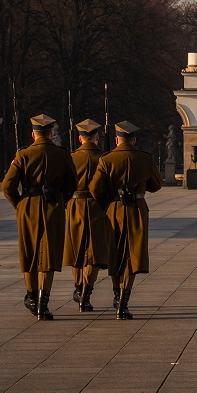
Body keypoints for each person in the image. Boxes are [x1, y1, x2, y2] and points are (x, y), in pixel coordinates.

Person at [1, 113, 75, 321]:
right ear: (51, 133)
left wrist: (20, 203)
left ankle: (32, 297)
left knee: (30, 253)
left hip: (29, 207)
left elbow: (8, 186)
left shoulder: (23, 155)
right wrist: (62, 201)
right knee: (49, 256)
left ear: (33, 134)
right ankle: (44, 304)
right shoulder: (62, 154)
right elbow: (72, 185)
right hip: (53, 206)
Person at [89, 120, 162, 320]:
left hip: (114, 209)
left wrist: (108, 202)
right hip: (136, 210)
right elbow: (156, 184)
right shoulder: (144, 158)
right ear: (134, 140)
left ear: (117, 139)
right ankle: (124, 301)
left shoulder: (107, 159)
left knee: (115, 253)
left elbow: (95, 188)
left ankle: (115, 292)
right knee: (132, 255)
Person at [64, 118, 109, 311]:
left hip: (75, 204)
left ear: (80, 138)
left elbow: (63, 184)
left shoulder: (71, 158)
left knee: (77, 251)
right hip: (97, 206)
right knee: (94, 253)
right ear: (97, 137)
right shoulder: (104, 158)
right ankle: (86, 293)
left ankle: (78, 287)